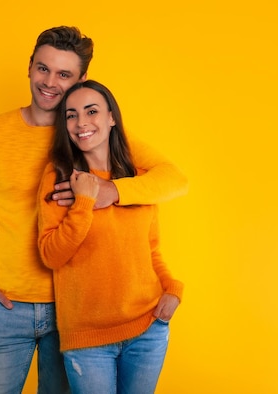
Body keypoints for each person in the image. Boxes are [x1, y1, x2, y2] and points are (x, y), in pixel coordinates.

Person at [0, 26, 188, 394]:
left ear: (81, 80)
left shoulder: (89, 133)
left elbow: (174, 179)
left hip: (74, 312)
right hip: (7, 306)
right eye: (43, 68)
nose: (50, 82)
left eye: (64, 74)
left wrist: (110, 191)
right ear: (30, 67)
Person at [37, 79, 184, 394]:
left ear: (111, 117)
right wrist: (84, 203)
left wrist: (172, 288)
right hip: (88, 340)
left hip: (148, 328)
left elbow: (151, 250)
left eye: (92, 111)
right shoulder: (59, 177)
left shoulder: (140, 180)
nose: (82, 123)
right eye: (71, 115)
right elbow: (51, 254)